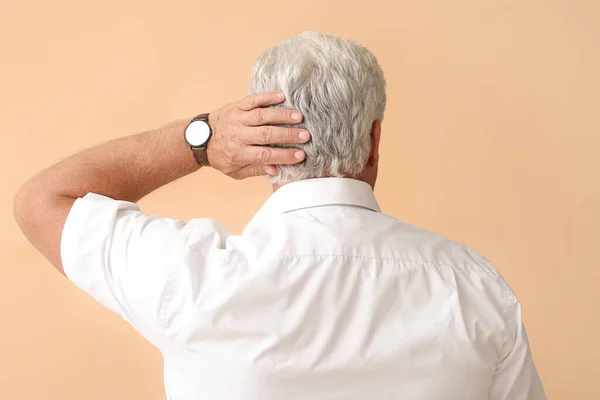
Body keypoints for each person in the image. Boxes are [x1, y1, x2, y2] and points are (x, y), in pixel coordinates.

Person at [14, 31, 546, 400]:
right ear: (374, 141)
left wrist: (198, 139)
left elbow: (43, 200)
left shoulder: (194, 281)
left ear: (259, 147)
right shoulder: (475, 288)